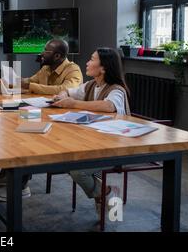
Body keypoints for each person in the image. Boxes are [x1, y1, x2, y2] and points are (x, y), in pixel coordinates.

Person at [0, 39, 83, 202]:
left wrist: (31, 86)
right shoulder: (46, 68)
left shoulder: (73, 70)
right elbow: (30, 81)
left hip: (62, 122)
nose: (41, 53)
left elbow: (65, 90)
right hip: (42, 113)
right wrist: (8, 84)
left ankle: (20, 186)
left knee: (27, 141)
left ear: (57, 55)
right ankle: (5, 174)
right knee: (11, 130)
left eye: (46, 51)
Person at [52, 47, 130, 218]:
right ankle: (104, 194)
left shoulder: (116, 90)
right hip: (93, 145)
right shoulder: (91, 85)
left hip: (114, 150)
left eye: (92, 59)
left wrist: (73, 104)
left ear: (103, 68)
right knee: (64, 160)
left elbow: (109, 106)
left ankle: (106, 193)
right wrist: (63, 95)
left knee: (78, 170)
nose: (87, 62)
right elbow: (69, 91)